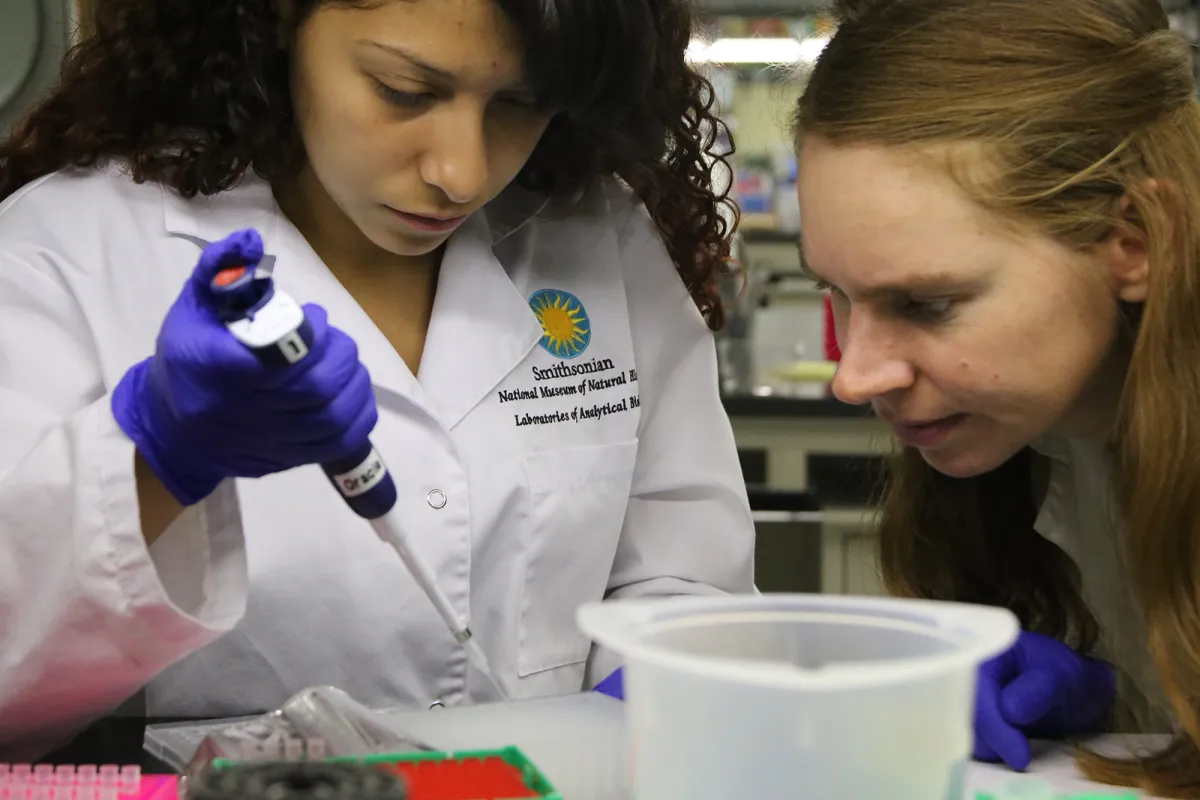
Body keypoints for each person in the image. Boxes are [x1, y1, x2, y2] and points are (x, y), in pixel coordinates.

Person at [0, 0, 756, 760]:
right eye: (404, 91)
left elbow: (685, 576)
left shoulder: (599, 236)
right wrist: (151, 456)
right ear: (274, 27)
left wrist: (661, 688)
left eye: (521, 103)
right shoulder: (65, 252)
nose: (461, 172)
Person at [794, 0, 1200, 794]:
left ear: (1134, 242)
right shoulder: (1047, 437)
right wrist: (1124, 704)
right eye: (837, 293)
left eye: (927, 304)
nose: (854, 376)